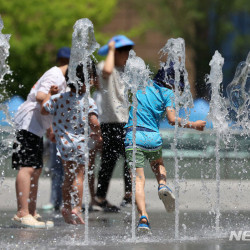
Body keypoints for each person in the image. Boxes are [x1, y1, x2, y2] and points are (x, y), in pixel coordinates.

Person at [124, 61, 206, 232]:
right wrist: (194, 124)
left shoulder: (142, 85)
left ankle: (143, 218)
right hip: (152, 138)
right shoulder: (168, 93)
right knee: (158, 164)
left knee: (138, 180)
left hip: (133, 137)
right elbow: (172, 119)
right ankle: (162, 185)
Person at [11, 47, 70, 228]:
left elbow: (49, 107)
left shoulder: (62, 79)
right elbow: (40, 96)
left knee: (36, 169)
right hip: (27, 123)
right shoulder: (56, 75)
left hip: (36, 126)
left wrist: (51, 129)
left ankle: (31, 211)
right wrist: (51, 94)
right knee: (28, 167)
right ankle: (22, 212)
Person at [41, 62, 102, 224]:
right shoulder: (88, 101)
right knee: (79, 176)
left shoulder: (58, 98)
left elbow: (44, 110)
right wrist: (98, 134)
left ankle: (66, 206)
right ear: (89, 81)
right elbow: (94, 121)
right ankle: (77, 207)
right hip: (80, 144)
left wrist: (49, 93)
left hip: (63, 145)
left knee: (68, 176)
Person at [93, 35, 134, 212]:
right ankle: (100, 198)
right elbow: (107, 71)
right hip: (110, 122)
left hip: (127, 121)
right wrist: (110, 49)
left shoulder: (129, 72)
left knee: (131, 159)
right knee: (108, 162)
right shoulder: (104, 67)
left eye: (128, 51)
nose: (127, 55)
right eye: (123, 51)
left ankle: (129, 195)